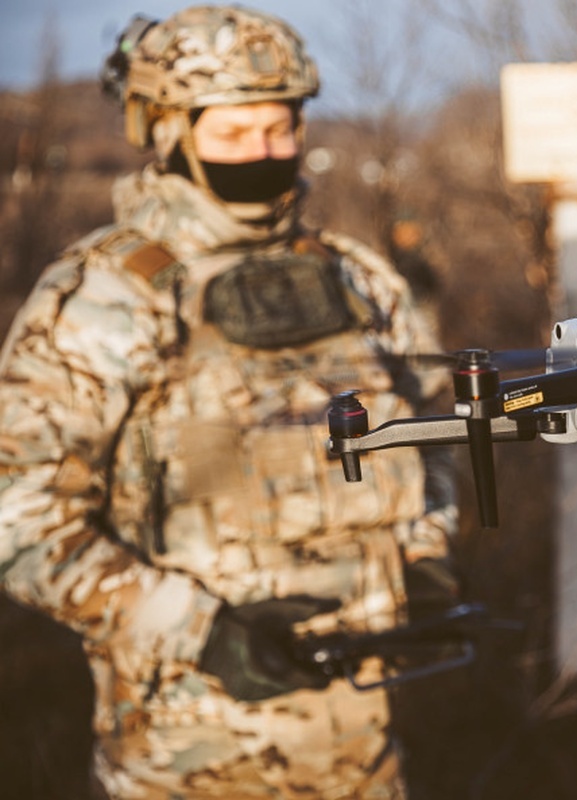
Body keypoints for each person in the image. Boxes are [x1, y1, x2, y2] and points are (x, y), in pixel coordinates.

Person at [0, 5, 460, 798]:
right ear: (170, 132)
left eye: (281, 128)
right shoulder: (107, 296)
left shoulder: (357, 279)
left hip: (362, 754)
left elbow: (435, 433)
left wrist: (425, 555)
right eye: (236, 132)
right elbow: (20, 516)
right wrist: (200, 632)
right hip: (185, 763)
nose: (266, 153)